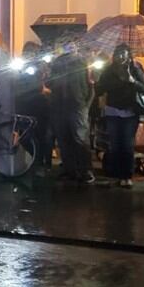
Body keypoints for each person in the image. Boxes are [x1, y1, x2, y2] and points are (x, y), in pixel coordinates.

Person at [95, 44, 144, 188]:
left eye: (123, 54)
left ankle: (127, 175)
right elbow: (100, 88)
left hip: (130, 112)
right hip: (113, 110)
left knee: (127, 144)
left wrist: (132, 81)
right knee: (115, 145)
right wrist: (99, 82)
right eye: (118, 54)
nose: (120, 57)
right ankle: (117, 174)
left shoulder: (135, 69)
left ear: (129, 55)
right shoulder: (109, 70)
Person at [47, 42, 95, 184]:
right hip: (63, 105)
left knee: (79, 139)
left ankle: (84, 170)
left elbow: (91, 85)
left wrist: (86, 105)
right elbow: (50, 83)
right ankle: (70, 170)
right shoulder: (57, 63)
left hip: (76, 105)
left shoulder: (82, 62)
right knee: (64, 139)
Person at [15, 42, 53, 175]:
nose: (28, 54)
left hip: (39, 105)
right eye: (26, 51)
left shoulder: (42, 66)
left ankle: (43, 163)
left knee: (42, 135)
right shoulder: (21, 66)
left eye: (31, 51)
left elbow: (43, 85)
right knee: (25, 136)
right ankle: (36, 161)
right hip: (23, 105)